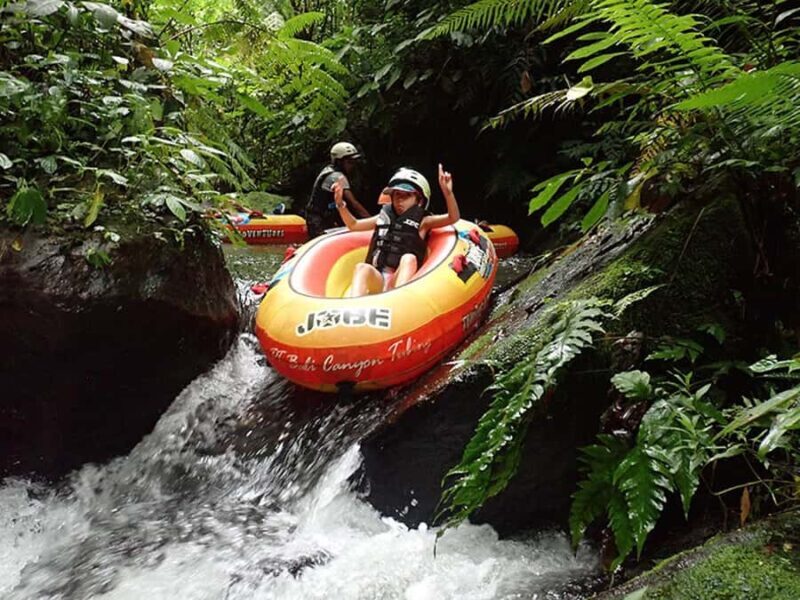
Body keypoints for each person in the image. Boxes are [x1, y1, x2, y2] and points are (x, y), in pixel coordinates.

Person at [333, 164, 460, 297]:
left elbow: (453, 217)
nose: (400, 200)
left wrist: (448, 193)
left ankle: (398, 300)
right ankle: (355, 307)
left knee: (409, 258)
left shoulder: (424, 222)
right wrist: (340, 204)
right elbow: (353, 225)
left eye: (406, 196)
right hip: (378, 279)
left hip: (399, 279)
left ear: (420, 201)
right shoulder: (384, 217)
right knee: (362, 267)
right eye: (397, 194)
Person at [305, 142, 370, 238]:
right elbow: (354, 204)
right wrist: (372, 221)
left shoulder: (331, 170)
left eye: (353, 162)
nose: (352, 166)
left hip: (327, 217)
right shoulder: (336, 176)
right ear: (338, 162)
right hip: (317, 219)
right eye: (349, 162)